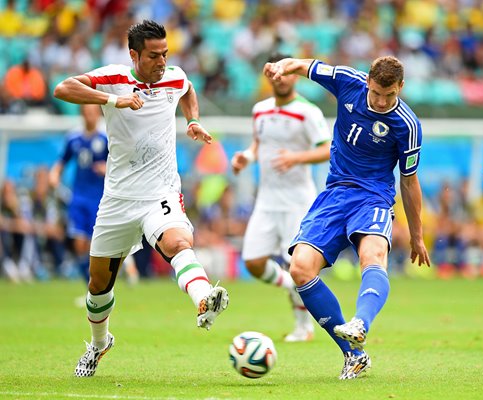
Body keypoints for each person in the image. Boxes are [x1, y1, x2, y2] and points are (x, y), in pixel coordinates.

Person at [53, 20, 229, 377]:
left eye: (165, 54)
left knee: (179, 241)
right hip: (118, 198)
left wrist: (193, 119)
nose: (161, 62)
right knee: (98, 285)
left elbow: (189, 89)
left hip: (160, 191)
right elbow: (62, 87)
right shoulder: (114, 77)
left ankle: (204, 300)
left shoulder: (173, 77)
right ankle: (99, 344)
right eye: (153, 56)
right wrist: (113, 99)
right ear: (134, 54)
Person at [263, 55, 430, 379]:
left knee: (373, 255)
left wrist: (417, 234)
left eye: (390, 95)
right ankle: (354, 355)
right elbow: (305, 65)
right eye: (378, 93)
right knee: (300, 268)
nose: (382, 102)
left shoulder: (407, 126)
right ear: (368, 81)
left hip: (374, 197)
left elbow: (409, 181)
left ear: (401, 88)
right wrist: (282, 66)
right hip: (335, 193)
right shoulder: (346, 81)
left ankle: (361, 323)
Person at [232, 53, 332, 342]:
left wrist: (296, 158)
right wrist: (246, 157)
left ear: (295, 75)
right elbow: (257, 144)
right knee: (252, 261)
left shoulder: (308, 111)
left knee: (298, 265)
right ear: (270, 76)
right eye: (279, 72)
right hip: (266, 199)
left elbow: (327, 149)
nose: (284, 77)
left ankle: (304, 327)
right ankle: (290, 286)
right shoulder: (260, 110)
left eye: (290, 72)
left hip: (298, 200)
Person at [49, 104, 108, 283]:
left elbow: (119, 164)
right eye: (86, 113)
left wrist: (107, 169)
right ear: (82, 114)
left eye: (93, 112)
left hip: (99, 198)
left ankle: (97, 286)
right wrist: (54, 174)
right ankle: (89, 285)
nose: (90, 116)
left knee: (94, 244)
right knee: (78, 242)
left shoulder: (106, 138)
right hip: (78, 196)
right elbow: (62, 161)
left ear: (98, 114)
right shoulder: (73, 138)